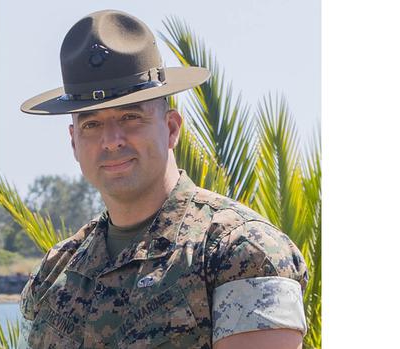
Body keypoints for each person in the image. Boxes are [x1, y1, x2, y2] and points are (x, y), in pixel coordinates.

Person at [18, 9, 308, 349]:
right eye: (91, 124)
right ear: (74, 143)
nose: (112, 140)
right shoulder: (55, 272)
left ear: (171, 128)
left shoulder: (238, 251)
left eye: (130, 117)